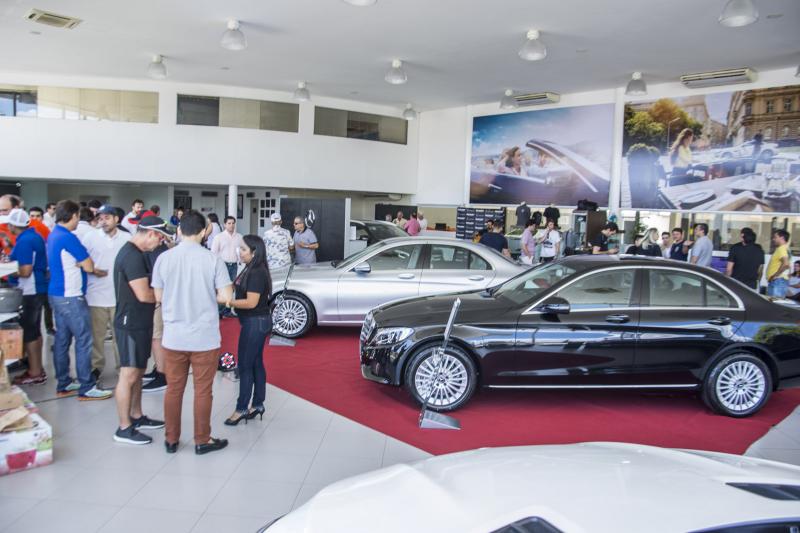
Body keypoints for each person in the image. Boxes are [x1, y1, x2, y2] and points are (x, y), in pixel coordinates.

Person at [151, 210, 233, 455]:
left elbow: (158, 296)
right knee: (203, 390)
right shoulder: (213, 260)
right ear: (204, 231)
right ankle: (202, 440)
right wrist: (207, 295)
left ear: (179, 230)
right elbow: (226, 297)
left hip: (173, 336)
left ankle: (171, 440)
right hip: (204, 337)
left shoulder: (164, 258)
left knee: (173, 388)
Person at [112, 216, 172, 445]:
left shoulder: (138, 254)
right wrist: (168, 295)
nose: (160, 243)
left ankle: (136, 416)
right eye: (160, 238)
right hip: (131, 323)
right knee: (129, 374)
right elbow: (144, 294)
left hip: (141, 321)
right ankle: (124, 427)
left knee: (138, 371)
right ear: (151, 234)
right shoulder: (132, 256)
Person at [47, 200, 112, 401]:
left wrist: (80, 265)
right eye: (77, 217)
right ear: (74, 215)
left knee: (62, 339)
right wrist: (93, 269)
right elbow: (89, 265)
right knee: (84, 340)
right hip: (71, 296)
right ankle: (87, 386)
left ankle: (64, 382)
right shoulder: (68, 237)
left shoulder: (54, 234)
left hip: (57, 295)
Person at [224, 236, 272, 426]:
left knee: (245, 365)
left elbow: (251, 302)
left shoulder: (257, 272)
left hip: (255, 322)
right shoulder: (250, 268)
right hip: (254, 322)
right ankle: (257, 404)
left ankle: (242, 408)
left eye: (243, 249)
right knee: (255, 362)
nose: (240, 252)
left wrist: (228, 302)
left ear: (254, 252)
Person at [81, 205, 131, 380]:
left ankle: (123, 368)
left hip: (119, 296)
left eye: (107, 218)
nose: (103, 222)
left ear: (116, 219)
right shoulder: (90, 237)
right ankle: (96, 368)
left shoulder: (126, 238)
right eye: (100, 218)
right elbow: (80, 260)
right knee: (97, 337)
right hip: (95, 296)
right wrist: (93, 270)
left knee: (121, 336)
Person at [6, 210, 48, 385]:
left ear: (12, 225)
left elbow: (25, 271)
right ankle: (36, 368)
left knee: (29, 332)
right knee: (35, 330)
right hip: (37, 289)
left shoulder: (24, 241)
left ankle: (35, 372)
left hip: (29, 290)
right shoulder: (34, 236)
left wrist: (7, 269)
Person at [211, 216, 244, 284]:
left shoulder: (239, 237)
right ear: (225, 225)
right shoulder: (219, 237)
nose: (231, 225)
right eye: (229, 223)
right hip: (223, 265)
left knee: (233, 285)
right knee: (223, 285)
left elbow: (242, 250)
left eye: (233, 223)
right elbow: (213, 253)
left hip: (234, 266)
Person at [766, 229, 791, 298]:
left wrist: (774, 276)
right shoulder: (787, 249)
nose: (773, 239)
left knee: (774, 303)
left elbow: (786, 264)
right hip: (781, 281)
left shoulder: (781, 249)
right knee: (777, 303)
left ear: (782, 238)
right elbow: (788, 266)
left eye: (775, 237)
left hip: (777, 282)